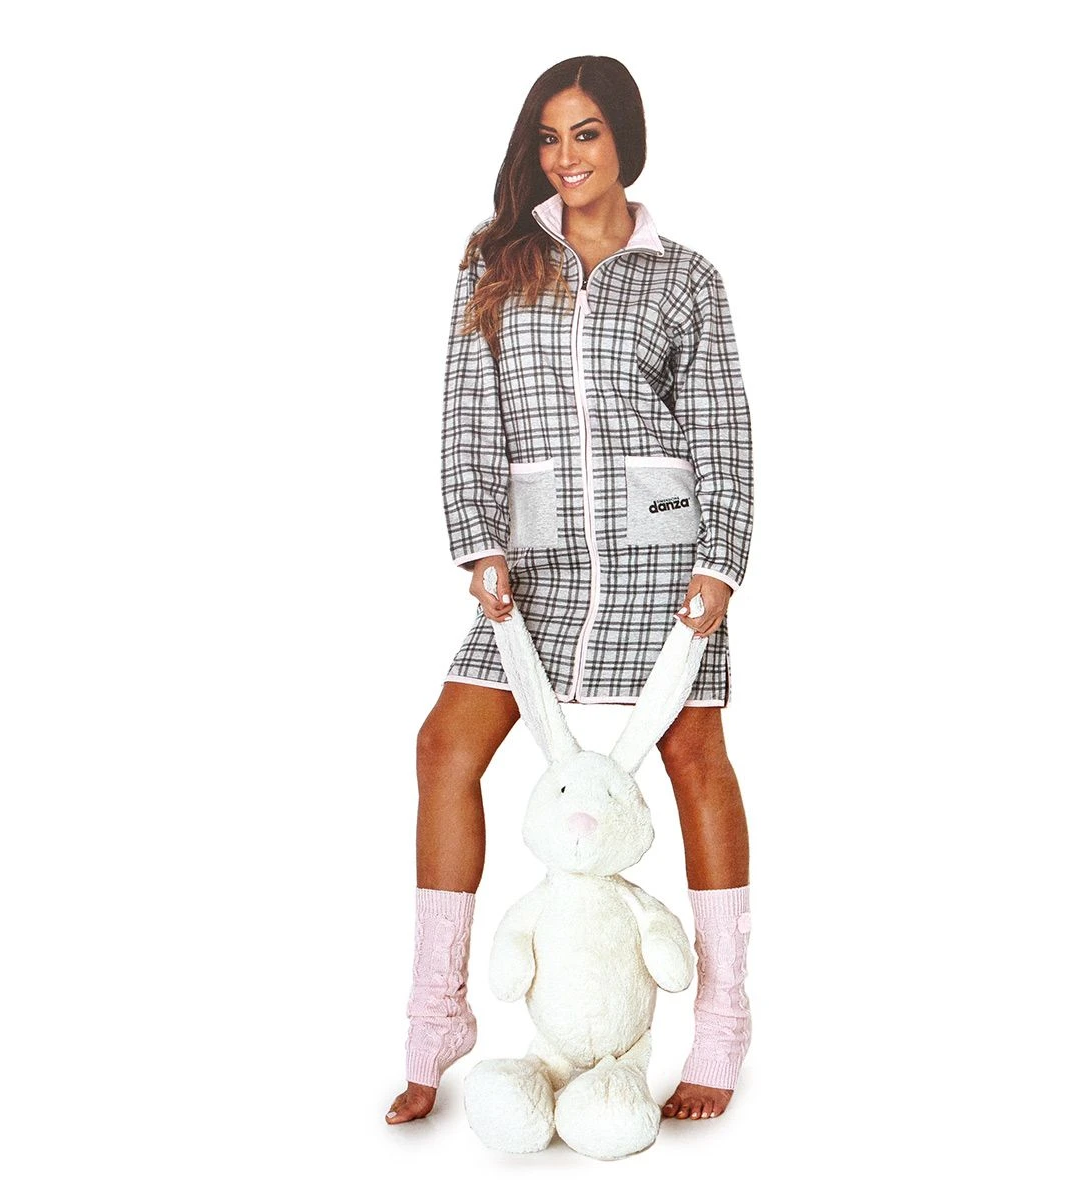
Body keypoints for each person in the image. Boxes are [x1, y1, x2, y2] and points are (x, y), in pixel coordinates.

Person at [386, 55, 754, 1127]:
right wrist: (478, 543)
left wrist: (720, 562)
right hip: (536, 569)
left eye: (585, 133)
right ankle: (435, 1017)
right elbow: (468, 416)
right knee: (445, 748)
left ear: (623, 139)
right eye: (548, 137)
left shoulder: (686, 278)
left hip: (658, 559)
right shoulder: (496, 261)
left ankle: (723, 1023)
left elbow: (723, 428)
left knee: (696, 758)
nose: (565, 157)